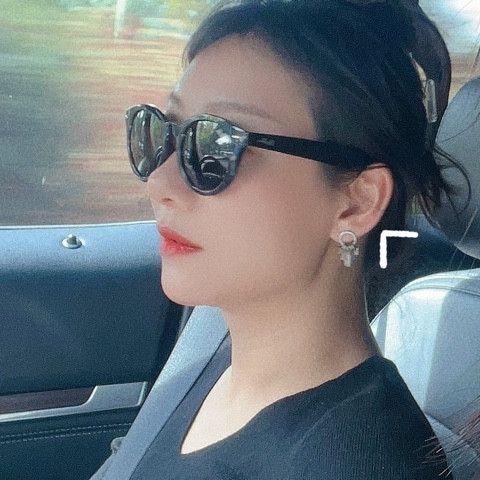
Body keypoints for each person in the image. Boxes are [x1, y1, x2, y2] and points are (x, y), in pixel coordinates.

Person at [97, 0, 462, 478]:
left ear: (357, 202)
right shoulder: (209, 346)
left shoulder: (360, 464)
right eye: (160, 133)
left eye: (216, 145)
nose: (159, 183)